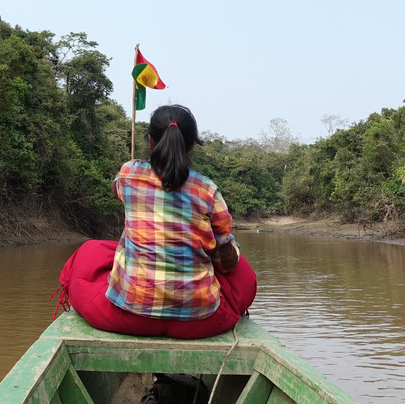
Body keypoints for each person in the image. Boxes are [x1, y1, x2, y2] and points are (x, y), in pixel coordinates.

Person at [56, 104, 257, 338]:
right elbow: (225, 262)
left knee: (89, 251)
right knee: (242, 269)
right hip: (197, 320)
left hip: (130, 314)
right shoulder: (209, 190)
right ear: (192, 145)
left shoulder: (128, 174)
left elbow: (115, 189)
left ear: (150, 140)